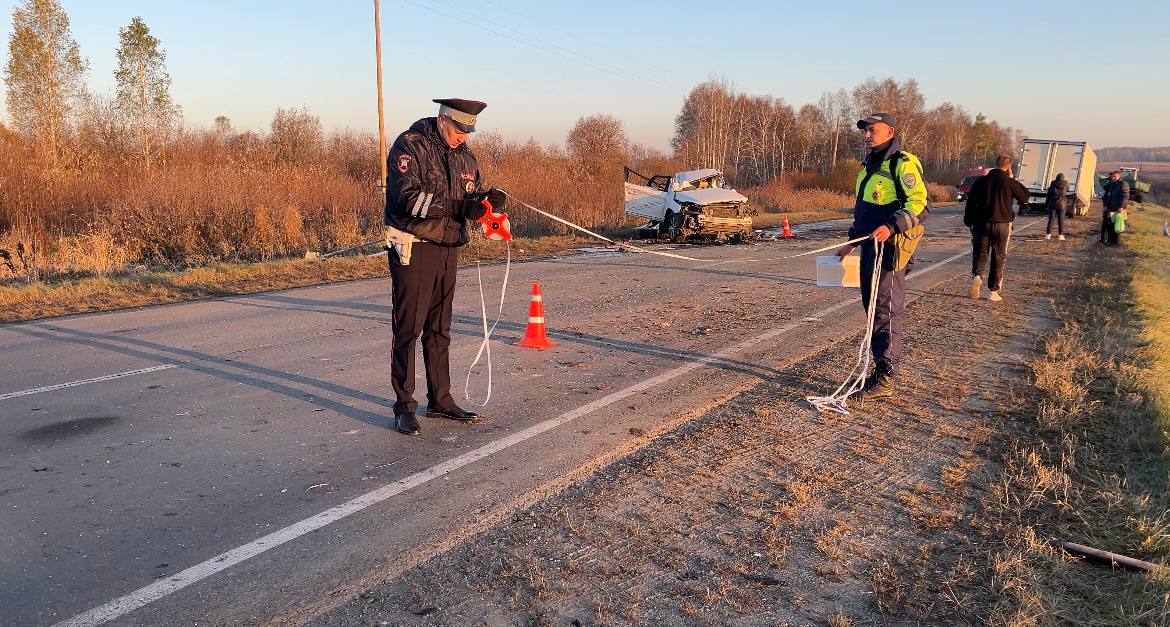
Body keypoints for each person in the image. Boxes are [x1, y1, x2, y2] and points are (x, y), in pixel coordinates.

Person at [384, 98, 506, 436]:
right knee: (408, 329)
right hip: (414, 245)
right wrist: (459, 206)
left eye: (468, 132)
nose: (463, 137)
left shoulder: (466, 156)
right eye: (458, 130)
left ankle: (440, 400)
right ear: (443, 121)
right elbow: (407, 199)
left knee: (440, 329)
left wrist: (487, 199)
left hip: (449, 247)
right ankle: (404, 406)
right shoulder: (410, 146)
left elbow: (467, 195)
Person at [835, 113, 929, 401]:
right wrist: (851, 242)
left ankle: (887, 376)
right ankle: (881, 367)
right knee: (873, 308)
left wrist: (891, 226)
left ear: (889, 131)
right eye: (865, 131)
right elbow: (864, 210)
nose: (867, 135)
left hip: (890, 250)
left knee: (886, 310)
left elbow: (921, 205)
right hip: (868, 248)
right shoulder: (868, 167)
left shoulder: (903, 163)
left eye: (872, 130)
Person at [963, 155, 1029, 302]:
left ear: (995, 164)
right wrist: (1012, 179)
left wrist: (969, 222)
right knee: (999, 256)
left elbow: (970, 204)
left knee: (980, 253)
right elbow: (1024, 197)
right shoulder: (1009, 182)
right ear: (1009, 166)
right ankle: (993, 291)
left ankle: (977, 276)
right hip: (1003, 224)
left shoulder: (981, 182)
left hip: (981, 224)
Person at [1100, 169, 1129, 246]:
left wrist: (1121, 207)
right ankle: (1110, 241)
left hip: (1118, 208)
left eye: (1115, 177)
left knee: (1117, 226)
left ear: (1119, 176)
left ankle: (1116, 242)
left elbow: (1125, 197)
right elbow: (1108, 195)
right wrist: (1106, 205)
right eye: (1112, 177)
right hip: (1111, 207)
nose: (1113, 178)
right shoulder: (1112, 184)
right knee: (1110, 225)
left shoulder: (1123, 184)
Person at [1044, 172, 1068, 240]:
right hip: (1062, 205)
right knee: (1061, 220)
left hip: (1052, 204)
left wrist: (1047, 204)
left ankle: (1048, 235)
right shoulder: (1066, 184)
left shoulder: (1053, 184)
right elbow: (1068, 190)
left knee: (1051, 220)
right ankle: (1061, 235)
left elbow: (1048, 195)